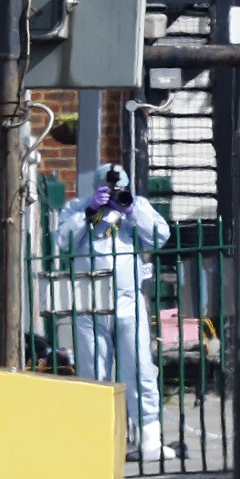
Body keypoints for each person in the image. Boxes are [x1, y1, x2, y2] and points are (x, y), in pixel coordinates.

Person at [56, 164, 175, 460]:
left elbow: (160, 236)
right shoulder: (76, 207)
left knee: (139, 368)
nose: (114, 193)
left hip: (127, 299)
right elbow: (62, 242)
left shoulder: (137, 206)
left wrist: (132, 210)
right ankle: (99, 436)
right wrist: (88, 212)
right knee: (93, 370)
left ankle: (148, 433)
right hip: (89, 299)